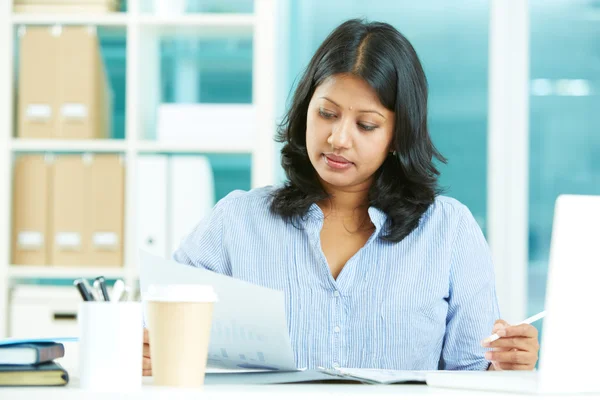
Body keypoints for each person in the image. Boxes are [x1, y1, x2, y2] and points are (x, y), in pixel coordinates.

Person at [142, 18, 539, 375]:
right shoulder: (237, 221)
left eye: (366, 125)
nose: (338, 139)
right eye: (327, 114)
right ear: (305, 111)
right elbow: (162, 333)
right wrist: (145, 349)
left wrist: (506, 367)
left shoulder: (448, 230)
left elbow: (471, 373)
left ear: (398, 137)